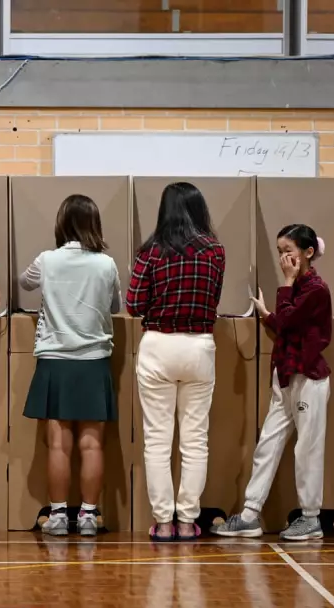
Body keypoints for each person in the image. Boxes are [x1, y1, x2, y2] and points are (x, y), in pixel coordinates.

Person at [212, 224, 331, 542]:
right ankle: (250, 515)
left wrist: (286, 285)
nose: (283, 258)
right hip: (286, 376)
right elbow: (286, 324)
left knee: (307, 450)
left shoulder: (316, 289)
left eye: (288, 251)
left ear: (307, 253)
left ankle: (310, 518)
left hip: (309, 378)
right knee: (267, 445)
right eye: (279, 252)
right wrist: (266, 315)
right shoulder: (298, 288)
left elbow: (292, 320)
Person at [126, 182, 226, 543]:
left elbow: (133, 305)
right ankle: (187, 521)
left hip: (158, 346)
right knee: (195, 441)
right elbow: (213, 299)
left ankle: (164, 523)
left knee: (157, 440)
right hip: (199, 346)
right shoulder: (215, 251)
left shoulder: (150, 252)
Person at [20, 195, 123, 537]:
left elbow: (24, 282)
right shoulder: (106, 264)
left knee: (58, 445)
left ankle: (60, 516)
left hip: (55, 360)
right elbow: (115, 304)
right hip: (94, 361)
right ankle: (90, 516)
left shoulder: (47, 261)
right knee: (92, 444)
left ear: (62, 224)